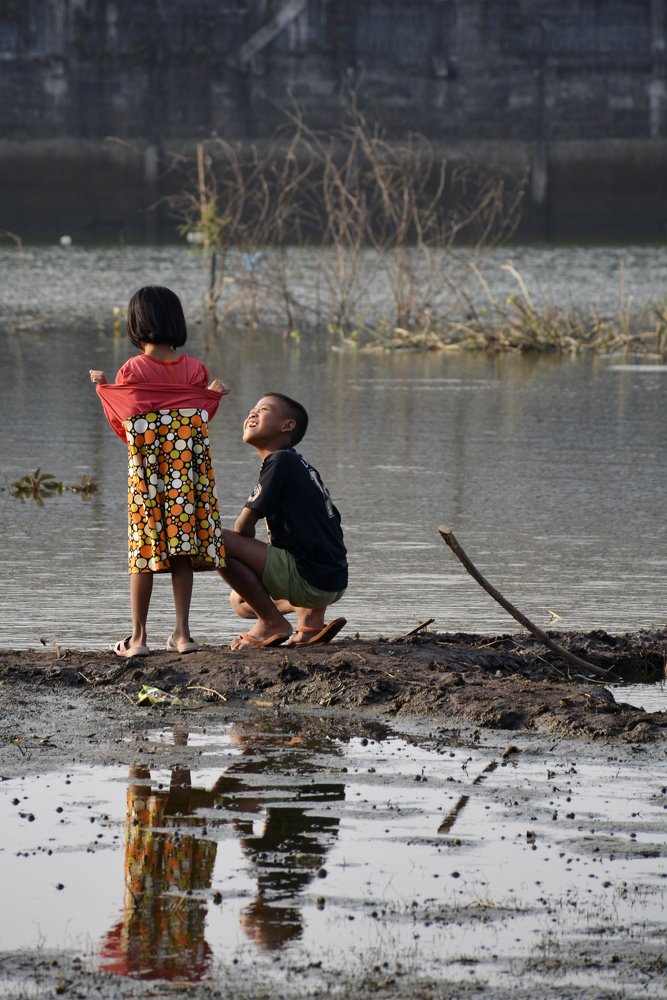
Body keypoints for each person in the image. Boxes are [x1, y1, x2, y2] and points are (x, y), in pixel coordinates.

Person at [90, 284, 228, 658]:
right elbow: (196, 423)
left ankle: (138, 639)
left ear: (136, 324)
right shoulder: (196, 370)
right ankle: (182, 635)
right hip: (187, 479)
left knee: (144, 552)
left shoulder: (132, 370)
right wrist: (211, 396)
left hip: (147, 480)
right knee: (181, 551)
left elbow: (127, 427)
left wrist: (104, 388)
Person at [219, 392, 347, 649]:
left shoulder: (279, 460)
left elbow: (243, 527)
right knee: (241, 602)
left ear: (287, 426)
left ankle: (271, 622)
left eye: (263, 409)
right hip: (333, 580)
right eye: (252, 410)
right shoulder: (299, 465)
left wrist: (244, 552)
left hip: (310, 578)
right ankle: (310, 626)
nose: (252, 414)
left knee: (212, 541)